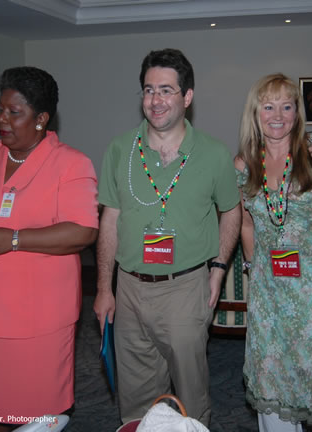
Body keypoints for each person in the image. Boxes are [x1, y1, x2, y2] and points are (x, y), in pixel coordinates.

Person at [93, 48, 241, 427]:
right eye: (148, 90)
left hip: (184, 288)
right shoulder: (120, 149)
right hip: (129, 287)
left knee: (191, 397)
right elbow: (109, 219)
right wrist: (104, 288)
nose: (155, 100)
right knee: (136, 398)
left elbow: (231, 210)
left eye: (166, 90)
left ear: (187, 97)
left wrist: (219, 268)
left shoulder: (213, 153)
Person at [0, 66, 99, 432]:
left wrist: (14, 239)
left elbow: (83, 231)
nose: (2, 119)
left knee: (35, 415)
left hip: (37, 320)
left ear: (41, 118)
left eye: (14, 112)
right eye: (0, 109)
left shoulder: (71, 164)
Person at [235, 73, 312, 432]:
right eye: (268, 106)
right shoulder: (244, 166)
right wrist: (252, 268)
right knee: (275, 391)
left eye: (287, 106)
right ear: (255, 113)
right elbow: (246, 224)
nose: (278, 115)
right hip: (271, 297)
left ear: (297, 112)